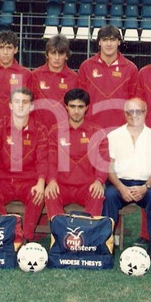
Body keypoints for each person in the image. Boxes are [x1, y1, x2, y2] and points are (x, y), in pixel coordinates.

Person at [0, 88, 48, 241]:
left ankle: (26, 239)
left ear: (31, 106)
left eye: (25, 102)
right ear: (10, 105)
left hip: (28, 181)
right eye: (17, 102)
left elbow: (43, 160)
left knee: (37, 195)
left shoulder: (40, 130)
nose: (21, 106)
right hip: (4, 180)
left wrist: (40, 184)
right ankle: (12, 235)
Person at [102, 98, 151, 247]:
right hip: (120, 184)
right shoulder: (113, 136)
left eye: (138, 111)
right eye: (130, 111)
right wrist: (121, 187)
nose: (134, 115)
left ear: (145, 112)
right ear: (125, 113)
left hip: (146, 185)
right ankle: (105, 244)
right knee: (109, 196)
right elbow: (109, 169)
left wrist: (145, 187)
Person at [45, 88, 109, 217]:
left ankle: (88, 235)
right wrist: (51, 180)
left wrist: (99, 181)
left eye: (80, 107)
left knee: (97, 194)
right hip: (62, 185)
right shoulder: (55, 131)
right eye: (72, 106)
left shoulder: (97, 132)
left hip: (87, 186)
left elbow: (103, 162)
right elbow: (51, 160)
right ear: (66, 107)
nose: (76, 111)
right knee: (51, 194)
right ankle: (59, 235)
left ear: (87, 108)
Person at [78, 25, 138, 131]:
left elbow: (134, 103)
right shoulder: (86, 66)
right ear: (99, 42)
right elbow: (80, 101)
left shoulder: (130, 68)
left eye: (112, 40)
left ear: (119, 42)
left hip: (121, 130)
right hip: (91, 128)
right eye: (105, 40)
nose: (109, 44)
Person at [0, 30, 33, 132]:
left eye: (9, 48)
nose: (5, 52)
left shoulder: (26, 74)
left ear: (16, 50)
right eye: (1, 47)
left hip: (15, 131)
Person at [30, 34, 79, 130]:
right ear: (47, 54)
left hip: (63, 131)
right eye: (53, 53)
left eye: (61, 54)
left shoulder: (74, 78)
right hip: (39, 131)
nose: (57, 58)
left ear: (66, 56)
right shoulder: (35, 75)